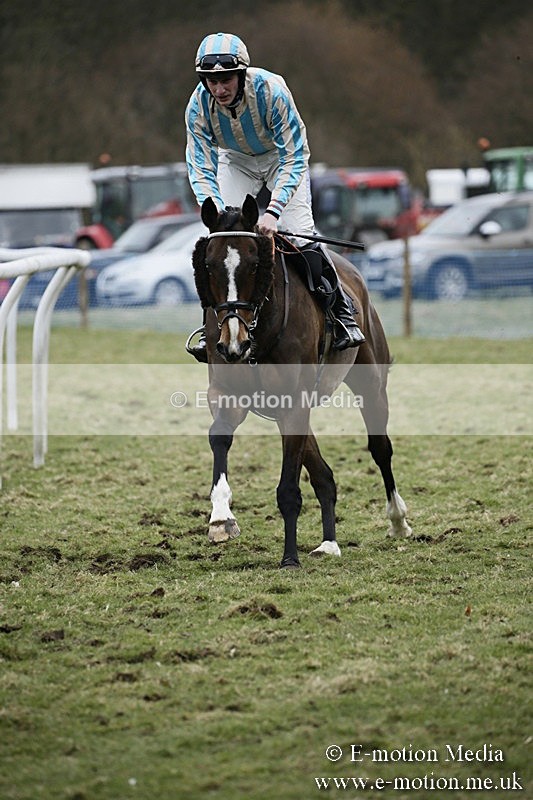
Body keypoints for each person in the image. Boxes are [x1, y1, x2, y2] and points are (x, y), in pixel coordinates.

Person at [185, 32, 365, 361]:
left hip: (282, 161)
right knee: (222, 244)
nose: (219, 89)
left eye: (225, 80)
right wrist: (213, 213)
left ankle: (341, 316)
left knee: (306, 241)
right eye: (211, 81)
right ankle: (210, 331)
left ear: (241, 75)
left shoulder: (272, 92)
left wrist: (274, 213)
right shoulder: (198, 105)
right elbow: (199, 165)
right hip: (236, 162)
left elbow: (295, 156)